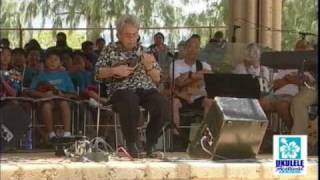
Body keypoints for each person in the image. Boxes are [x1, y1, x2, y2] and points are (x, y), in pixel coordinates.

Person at [95, 15, 169, 158]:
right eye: (127, 35)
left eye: (134, 34)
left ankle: (151, 144)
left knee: (162, 104)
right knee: (129, 100)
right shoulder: (110, 49)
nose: (131, 38)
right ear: (118, 35)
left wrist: (149, 67)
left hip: (146, 89)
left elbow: (157, 78)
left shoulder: (146, 51)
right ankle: (132, 143)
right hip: (121, 90)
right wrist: (114, 71)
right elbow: (97, 73)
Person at [170, 34, 212, 149]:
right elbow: (178, 82)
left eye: (196, 47)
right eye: (190, 47)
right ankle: (177, 138)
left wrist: (188, 79)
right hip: (182, 97)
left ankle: (206, 137)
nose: (193, 50)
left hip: (198, 98)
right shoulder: (176, 64)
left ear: (199, 49)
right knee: (174, 103)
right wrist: (195, 75)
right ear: (185, 48)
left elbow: (210, 84)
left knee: (209, 102)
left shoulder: (205, 65)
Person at [29, 50, 75, 141]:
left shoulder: (64, 75)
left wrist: (65, 96)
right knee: (46, 106)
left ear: (60, 62)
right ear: (45, 61)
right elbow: (30, 91)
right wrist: (43, 95)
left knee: (64, 104)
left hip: (61, 99)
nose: (52, 62)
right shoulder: (40, 75)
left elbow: (72, 92)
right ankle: (51, 134)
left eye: (55, 60)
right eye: (50, 60)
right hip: (46, 100)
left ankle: (67, 133)